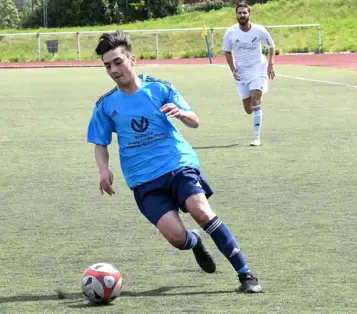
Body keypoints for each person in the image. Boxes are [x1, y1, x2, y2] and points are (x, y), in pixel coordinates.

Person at [86, 30, 262, 293]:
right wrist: (103, 169)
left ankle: (245, 275)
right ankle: (194, 242)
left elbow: (195, 120)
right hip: (143, 179)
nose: (113, 69)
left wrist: (181, 113)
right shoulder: (105, 105)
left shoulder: (159, 88)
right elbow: (100, 143)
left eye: (118, 62)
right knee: (177, 237)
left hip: (177, 164)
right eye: (107, 65)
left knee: (200, 210)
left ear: (132, 59)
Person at [222, 3, 276, 146]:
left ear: (249, 14)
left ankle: (256, 138)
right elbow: (227, 52)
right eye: (239, 13)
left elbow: (271, 46)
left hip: (258, 69)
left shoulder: (259, 30)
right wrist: (233, 69)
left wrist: (270, 65)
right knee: (248, 109)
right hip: (242, 72)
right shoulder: (230, 32)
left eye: (245, 13)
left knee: (255, 101)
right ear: (236, 15)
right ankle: (256, 97)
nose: (242, 15)